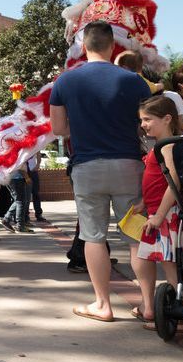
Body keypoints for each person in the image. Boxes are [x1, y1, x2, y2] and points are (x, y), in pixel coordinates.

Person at [49, 20, 151, 322]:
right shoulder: (134, 81)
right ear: (112, 45)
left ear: (83, 46)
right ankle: (148, 305)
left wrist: (83, 129)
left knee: (93, 236)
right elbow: (145, 124)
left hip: (87, 166)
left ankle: (103, 304)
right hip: (128, 164)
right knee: (135, 235)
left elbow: (58, 128)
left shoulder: (65, 82)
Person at [133, 95, 183, 328]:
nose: (144, 124)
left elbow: (173, 180)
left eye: (148, 119)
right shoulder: (162, 145)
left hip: (166, 215)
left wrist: (158, 215)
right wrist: (145, 203)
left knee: (172, 268)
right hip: (161, 212)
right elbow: (160, 180)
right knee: (174, 267)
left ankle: (182, 314)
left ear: (166, 119)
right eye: (142, 120)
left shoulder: (167, 146)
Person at [0, 163, 33, 233]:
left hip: (10, 177)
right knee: (20, 201)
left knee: (18, 201)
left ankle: (6, 220)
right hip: (17, 178)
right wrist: (26, 177)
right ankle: (20, 225)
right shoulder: (19, 155)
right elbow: (20, 165)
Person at [27, 154, 46, 223]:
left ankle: (38, 214)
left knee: (36, 193)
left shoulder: (34, 146)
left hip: (33, 171)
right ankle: (25, 215)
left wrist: (38, 164)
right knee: (26, 195)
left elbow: (38, 153)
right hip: (25, 171)